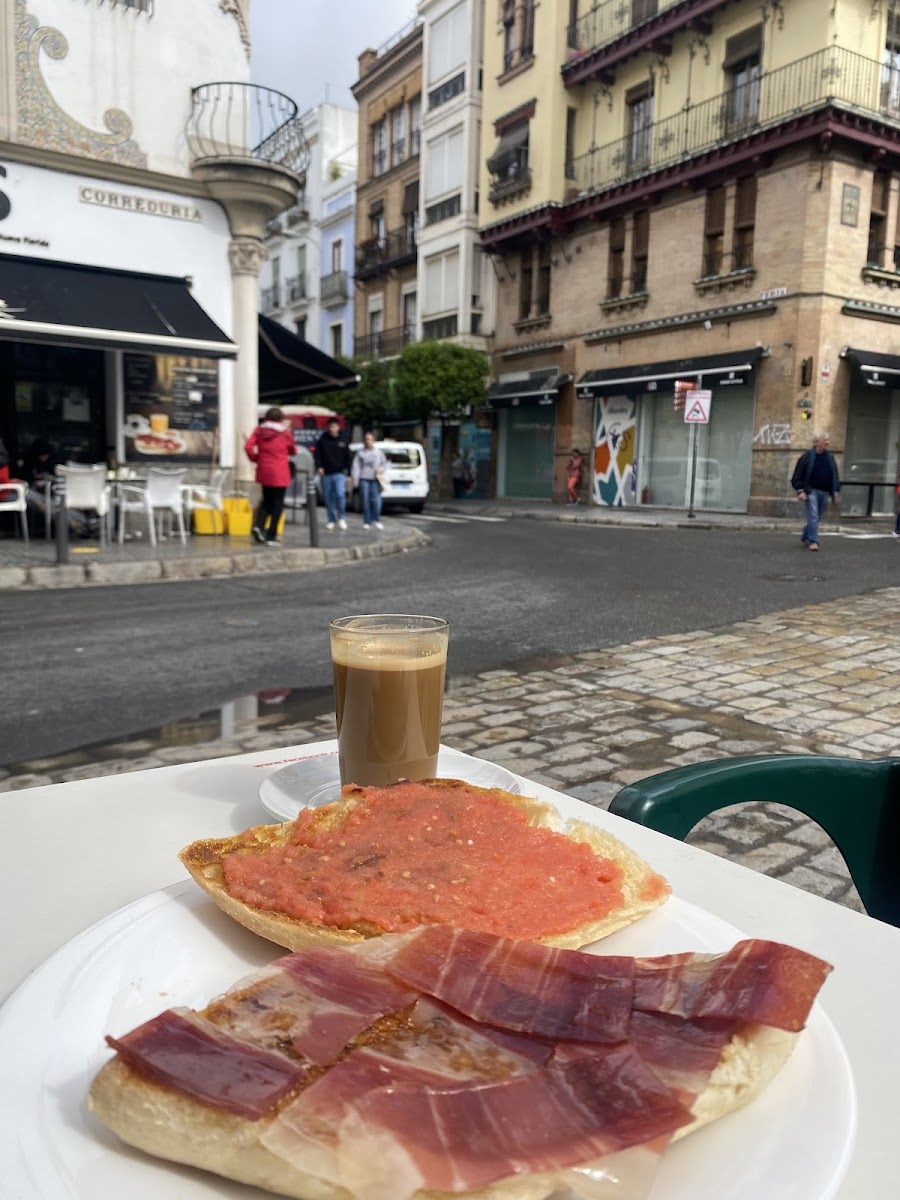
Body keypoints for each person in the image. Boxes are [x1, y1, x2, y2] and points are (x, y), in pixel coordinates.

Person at [244, 407, 296, 545]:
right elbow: (293, 450)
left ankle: (258, 526)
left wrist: (256, 458)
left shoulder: (259, 430)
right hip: (280, 471)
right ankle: (271, 535)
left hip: (264, 470)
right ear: (280, 418)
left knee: (266, 500)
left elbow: (248, 447)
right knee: (277, 504)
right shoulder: (285, 432)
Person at [791, 431, 840, 552]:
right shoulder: (807, 457)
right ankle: (813, 541)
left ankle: (806, 535)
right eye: (825, 440)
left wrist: (836, 490)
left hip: (825, 492)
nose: (827, 443)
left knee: (817, 516)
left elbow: (835, 474)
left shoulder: (830, 457)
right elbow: (797, 476)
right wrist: (800, 491)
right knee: (813, 516)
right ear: (817, 442)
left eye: (828, 440)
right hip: (811, 491)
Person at [314, 417, 351, 531]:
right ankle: (331, 519)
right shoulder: (323, 440)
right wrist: (319, 466)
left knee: (340, 494)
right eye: (330, 427)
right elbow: (317, 454)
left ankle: (341, 517)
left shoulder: (343, 440)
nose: (332, 429)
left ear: (338, 427)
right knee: (328, 497)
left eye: (334, 426)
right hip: (326, 473)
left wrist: (348, 472)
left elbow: (348, 457)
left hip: (339, 473)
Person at [351, 431, 387, 530]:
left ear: (373, 441)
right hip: (364, 479)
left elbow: (384, 464)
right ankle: (367, 521)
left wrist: (381, 470)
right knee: (365, 500)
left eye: (370, 439)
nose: (368, 441)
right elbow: (356, 466)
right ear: (364, 441)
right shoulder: (360, 453)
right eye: (366, 439)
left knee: (376, 501)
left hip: (375, 479)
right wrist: (356, 479)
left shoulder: (378, 452)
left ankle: (376, 519)